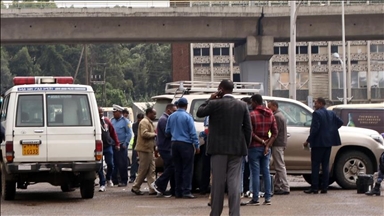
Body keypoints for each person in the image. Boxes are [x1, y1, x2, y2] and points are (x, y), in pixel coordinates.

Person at [196, 80, 252, 216]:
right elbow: (248, 129)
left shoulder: (215, 104)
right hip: (237, 149)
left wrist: (210, 98)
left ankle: (215, 213)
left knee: (218, 183)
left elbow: (200, 112)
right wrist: (245, 146)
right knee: (234, 183)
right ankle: (234, 213)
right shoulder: (242, 105)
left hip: (218, 149)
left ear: (220, 89)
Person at [242, 94, 278, 206]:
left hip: (254, 147)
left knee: (255, 173)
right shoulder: (270, 114)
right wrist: (267, 145)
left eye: (252, 102)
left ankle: (255, 198)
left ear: (255, 102)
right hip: (266, 148)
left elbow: (250, 132)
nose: (251, 104)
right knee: (266, 172)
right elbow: (275, 133)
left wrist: (260, 141)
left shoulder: (251, 115)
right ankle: (268, 198)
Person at [303, 97, 343, 194]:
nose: (314, 105)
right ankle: (325, 187)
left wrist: (308, 140)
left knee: (315, 165)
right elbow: (340, 122)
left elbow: (315, 129)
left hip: (318, 143)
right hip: (328, 142)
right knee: (325, 165)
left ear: (321, 103)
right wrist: (330, 130)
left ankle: (315, 187)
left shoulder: (317, 114)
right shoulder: (331, 113)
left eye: (316, 103)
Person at [165, 97, 200, 199]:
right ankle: (186, 191)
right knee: (187, 168)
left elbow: (167, 131)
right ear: (186, 106)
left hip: (174, 143)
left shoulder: (171, 116)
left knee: (177, 168)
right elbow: (193, 133)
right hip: (186, 144)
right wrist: (196, 145)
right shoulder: (187, 117)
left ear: (177, 105)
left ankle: (177, 191)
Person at [151, 104, 177, 197]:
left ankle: (166, 188)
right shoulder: (164, 120)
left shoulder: (165, 119)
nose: (175, 113)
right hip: (165, 147)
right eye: (174, 111)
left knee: (169, 167)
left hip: (166, 147)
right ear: (169, 110)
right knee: (171, 166)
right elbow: (168, 133)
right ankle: (158, 183)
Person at [131, 107, 157, 195]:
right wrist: (154, 134)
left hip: (148, 149)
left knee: (151, 169)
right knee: (143, 169)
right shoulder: (144, 122)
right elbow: (144, 133)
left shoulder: (148, 122)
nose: (155, 115)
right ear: (149, 113)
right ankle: (135, 187)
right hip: (144, 149)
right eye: (154, 114)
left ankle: (152, 189)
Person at [268, 100, 290, 195]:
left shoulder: (276, 116)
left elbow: (275, 132)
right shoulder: (281, 115)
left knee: (280, 166)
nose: (268, 108)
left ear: (274, 106)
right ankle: (277, 185)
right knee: (278, 165)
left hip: (277, 144)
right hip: (281, 143)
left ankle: (285, 186)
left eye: (269, 106)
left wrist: (269, 142)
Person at [98, 107, 120, 192]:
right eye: (100, 113)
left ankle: (108, 178)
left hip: (108, 146)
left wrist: (117, 143)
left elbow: (112, 132)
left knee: (110, 164)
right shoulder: (95, 121)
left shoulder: (106, 121)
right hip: (99, 147)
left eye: (102, 113)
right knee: (99, 166)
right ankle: (102, 183)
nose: (101, 114)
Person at [111, 104, 133, 187]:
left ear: (119, 112)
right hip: (113, 145)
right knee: (114, 163)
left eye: (115, 112)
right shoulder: (112, 120)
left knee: (122, 164)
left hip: (121, 146)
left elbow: (129, 133)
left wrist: (125, 143)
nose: (113, 114)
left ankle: (124, 180)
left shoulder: (126, 121)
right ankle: (115, 180)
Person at [129, 113, 144, 183]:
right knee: (134, 161)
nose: (140, 120)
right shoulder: (135, 125)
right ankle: (132, 176)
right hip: (136, 145)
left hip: (144, 145)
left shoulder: (145, 124)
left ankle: (142, 176)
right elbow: (137, 134)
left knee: (143, 162)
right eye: (139, 119)